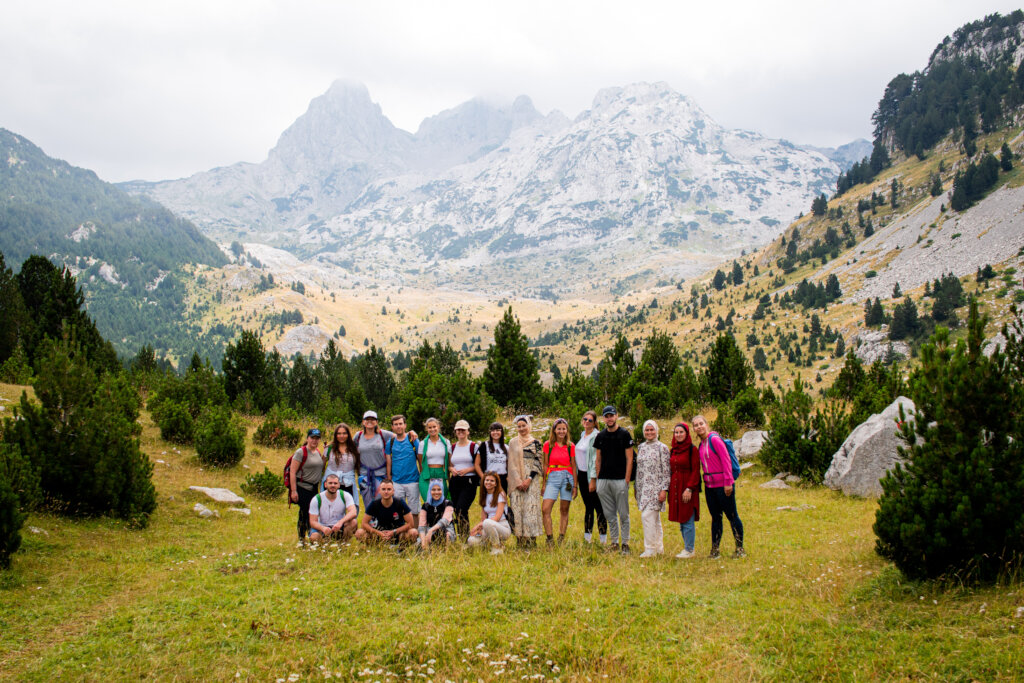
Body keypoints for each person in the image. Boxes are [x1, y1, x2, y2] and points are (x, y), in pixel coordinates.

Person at [692, 415, 744, 559]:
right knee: (715, 517)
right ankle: (715, 550)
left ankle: (740, 548)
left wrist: (728, 482)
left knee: (732, 515)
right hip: (710, 486)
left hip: (723, 485)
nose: (699, 427)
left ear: (706, 424)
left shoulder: (715, 440)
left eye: (701, 423)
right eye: (696, 425)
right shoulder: (701, 445)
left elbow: (726, 460)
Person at [591, 405, 634, 554]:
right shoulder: (600, 436)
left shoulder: (624, 434)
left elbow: (630, 459)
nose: (609, 418)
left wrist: (627, 479)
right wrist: (598, 478)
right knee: (610, 514)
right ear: (603, 418)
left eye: (611, 415)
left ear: (616, 416)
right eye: (606, 416)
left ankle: (625, 543)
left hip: (620, 479)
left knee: (623, 514)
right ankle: (614, 542)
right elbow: (598, 459)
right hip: (604, 480)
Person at [634, 420, 671, 558]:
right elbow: (639, 469)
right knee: (655, 519)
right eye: (647, 430)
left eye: (652, 430)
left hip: (656, 488)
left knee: (647, 517)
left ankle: (650, 549)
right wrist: (637, 488)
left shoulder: (662, 448)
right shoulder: (641, 447)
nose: (649, 433)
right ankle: (658, 548)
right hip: (643, 488)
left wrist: (664, 489)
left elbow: (667, 471)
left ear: (657, 431)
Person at [508, 415, 544, 547]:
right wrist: (518, 481)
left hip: (532, 480)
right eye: (519, 426)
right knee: (517, 510)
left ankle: (531, 541)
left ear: (529, 426)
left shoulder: (536, 443)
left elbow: (538, 461)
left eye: (524, 425)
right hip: (516, 480)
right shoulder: (512, 442)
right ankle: (520, 541)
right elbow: (511, 463)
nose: (522, 428)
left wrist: (528, 479)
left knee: (531, 510)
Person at [541, 418, 577, 545]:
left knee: (564, 509)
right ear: (554, 430)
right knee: (545, 508)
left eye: (564, 429)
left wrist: (575, 486)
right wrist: (544, 483)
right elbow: (545, 465)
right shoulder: (548, 445)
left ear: (567, 430)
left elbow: (573, 466)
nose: (561, 431)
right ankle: (549, 538)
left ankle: (561, 537)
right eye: (559, 429)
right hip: (552, 477)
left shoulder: (570, 446)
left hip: (567, 478)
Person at [668, 422, 701, 559]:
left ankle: (689, 549)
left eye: (681, 432)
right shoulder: (673, 450)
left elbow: (695, 471)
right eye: (676, 432)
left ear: (686, 434)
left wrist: (690, 488)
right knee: (681, 518)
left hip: (687, 486)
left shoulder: (692, 450)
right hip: (675, 486)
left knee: (687, 518)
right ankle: (687, 547)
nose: (679, 435)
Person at [575, 410, 607, 544]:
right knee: (588, 506)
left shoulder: (596, 436)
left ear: (594, 423)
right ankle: (587, 537)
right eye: (585, 419)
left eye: (590, 420)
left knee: (598, 507)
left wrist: (593, 478)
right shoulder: (583, 435)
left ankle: (603, 538)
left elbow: (596, 458)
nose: (587, 422)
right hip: (581, 475)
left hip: (592, 475)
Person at [355, 479, 418, 546]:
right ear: (379, 491)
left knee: (413, 532)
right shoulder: (374, 504)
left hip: (398, 534)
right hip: (379, 535)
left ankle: (402, 548)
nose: (386, 492)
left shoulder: (400, 503)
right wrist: (378, 533)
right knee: (359, 533)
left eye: (389, 489)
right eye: (383, 489)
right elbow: (364, 524)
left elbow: (411, 524)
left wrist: (394, 532)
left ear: (393, 491)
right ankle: (374, 548)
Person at [289, 428, 325, 541]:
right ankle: (302, 538)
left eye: (317, 438)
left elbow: (321, 466)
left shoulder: (317, 452)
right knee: (305, 513)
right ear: (307, 438)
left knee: (312, 512)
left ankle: (311, 536)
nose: (314, 440)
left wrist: (326, 452)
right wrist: (293, 491)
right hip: (302, 487)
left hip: (314, 488)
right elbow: (292, 472)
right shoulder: (301, 452)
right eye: (312, 438)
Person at [449, 419, 483, 539]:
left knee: (461, 508)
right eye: (458, 430)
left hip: (469, 481)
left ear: (468, 431)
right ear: (455, 432)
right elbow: (449, 464)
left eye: (463, 430)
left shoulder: (474, 446)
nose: (460, 432)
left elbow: (478, 465)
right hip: (455, 481)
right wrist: (451, 469)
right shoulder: (452, 447)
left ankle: (465, 538)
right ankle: (462, 536)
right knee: (456, 509)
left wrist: (467, 470)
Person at [353, 411, 394, 509]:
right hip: (364, 475)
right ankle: (370, 523)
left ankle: (382, 523)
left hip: (381, 475)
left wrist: (411, 433)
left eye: (372, 419)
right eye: (367, 419)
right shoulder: (358, 436)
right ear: (363, 422)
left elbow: (400, 436)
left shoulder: (383, 434)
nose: (370, 422)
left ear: (376, 422)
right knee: (368, 504)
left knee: (383, 502)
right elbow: (348, 446)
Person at [467, 472, 511, 554]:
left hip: (502, 526)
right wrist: (479, 530)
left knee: (487, 522)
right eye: (487, 480)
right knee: (471, 540)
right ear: (483, 482)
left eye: (492, 481)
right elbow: (483, 518)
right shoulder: (484, 495)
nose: (489, 482)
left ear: (496, 484)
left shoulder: (500, 495)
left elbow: (497, 517)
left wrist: (479, 525)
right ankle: (491, 544)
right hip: (487, 527)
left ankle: (497, 547)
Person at [386, 414, 421, 517]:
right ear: (392, 427)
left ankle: (415, 532)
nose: (398, 426)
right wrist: (389, 479)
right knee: (397, 512)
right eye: (395, 424)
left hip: (413, 481)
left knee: (414, 512)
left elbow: (420, 459)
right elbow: (389, 462)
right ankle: (400, 532)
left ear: (405, 425)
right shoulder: (390, 443)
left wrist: (422, 476)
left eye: (400, 424)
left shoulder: (413, 440)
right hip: (397, 482)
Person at [308, 473, 358, 542]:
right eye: (330, 483)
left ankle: (343, 544)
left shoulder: (345, 495)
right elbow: (313, 522)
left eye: (335, 483)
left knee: (353, 522)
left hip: (339, 527)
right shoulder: (317, 499)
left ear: (339, 485)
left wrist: (340, 522)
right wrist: (323, 528)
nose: (333, 485)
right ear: (325, 485)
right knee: (314, 537)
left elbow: (353, 512)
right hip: (323, 527)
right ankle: (324, 547)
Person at [322, 423, 360, 513]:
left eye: (344, 433)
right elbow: (322, 465)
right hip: (332, 483)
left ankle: (346, 526)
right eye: (339, 433)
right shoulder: (329, 448)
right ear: (335, 435)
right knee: (330, 508)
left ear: (348, 434)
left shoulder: (354, 448)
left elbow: (358, 465)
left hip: (348, 483)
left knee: (349, 508)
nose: (341, 436)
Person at [418, 417, 451, 502]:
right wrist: (424, 474)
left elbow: (449, 462)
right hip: (427, 474)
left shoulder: (446, 443)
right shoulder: (422, 444)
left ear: (438, 427)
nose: (432, 429)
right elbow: (421, 462)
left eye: (434, 427)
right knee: (428, 501)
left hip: (440, 473)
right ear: (426, 429)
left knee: (442, 501)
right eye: (429, 427)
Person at [418, 479, 456, 550]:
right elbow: (421, 526)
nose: (436, 492)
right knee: (420, 547)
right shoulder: (425, 506)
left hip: (445, 531)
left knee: (447, 535)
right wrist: (423, 542)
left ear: (442, 490)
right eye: (433, 490)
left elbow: (444, 521)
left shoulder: (448, 504)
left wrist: (431, 530)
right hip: (429, 534)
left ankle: (446, 552)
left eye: (439, 489)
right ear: (430, 491)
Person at [476, 422, 510, 494]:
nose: (495, 432)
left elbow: (508, 464)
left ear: (502, 432)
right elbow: (477, 464)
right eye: (493, 430)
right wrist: (484, 478)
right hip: (489, 479)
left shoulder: (506, 447)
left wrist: (508, 476)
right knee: (489, 502)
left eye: (498, 430)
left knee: (501, 502)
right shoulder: (484, 445)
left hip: (502, 479)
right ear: (490, 432)